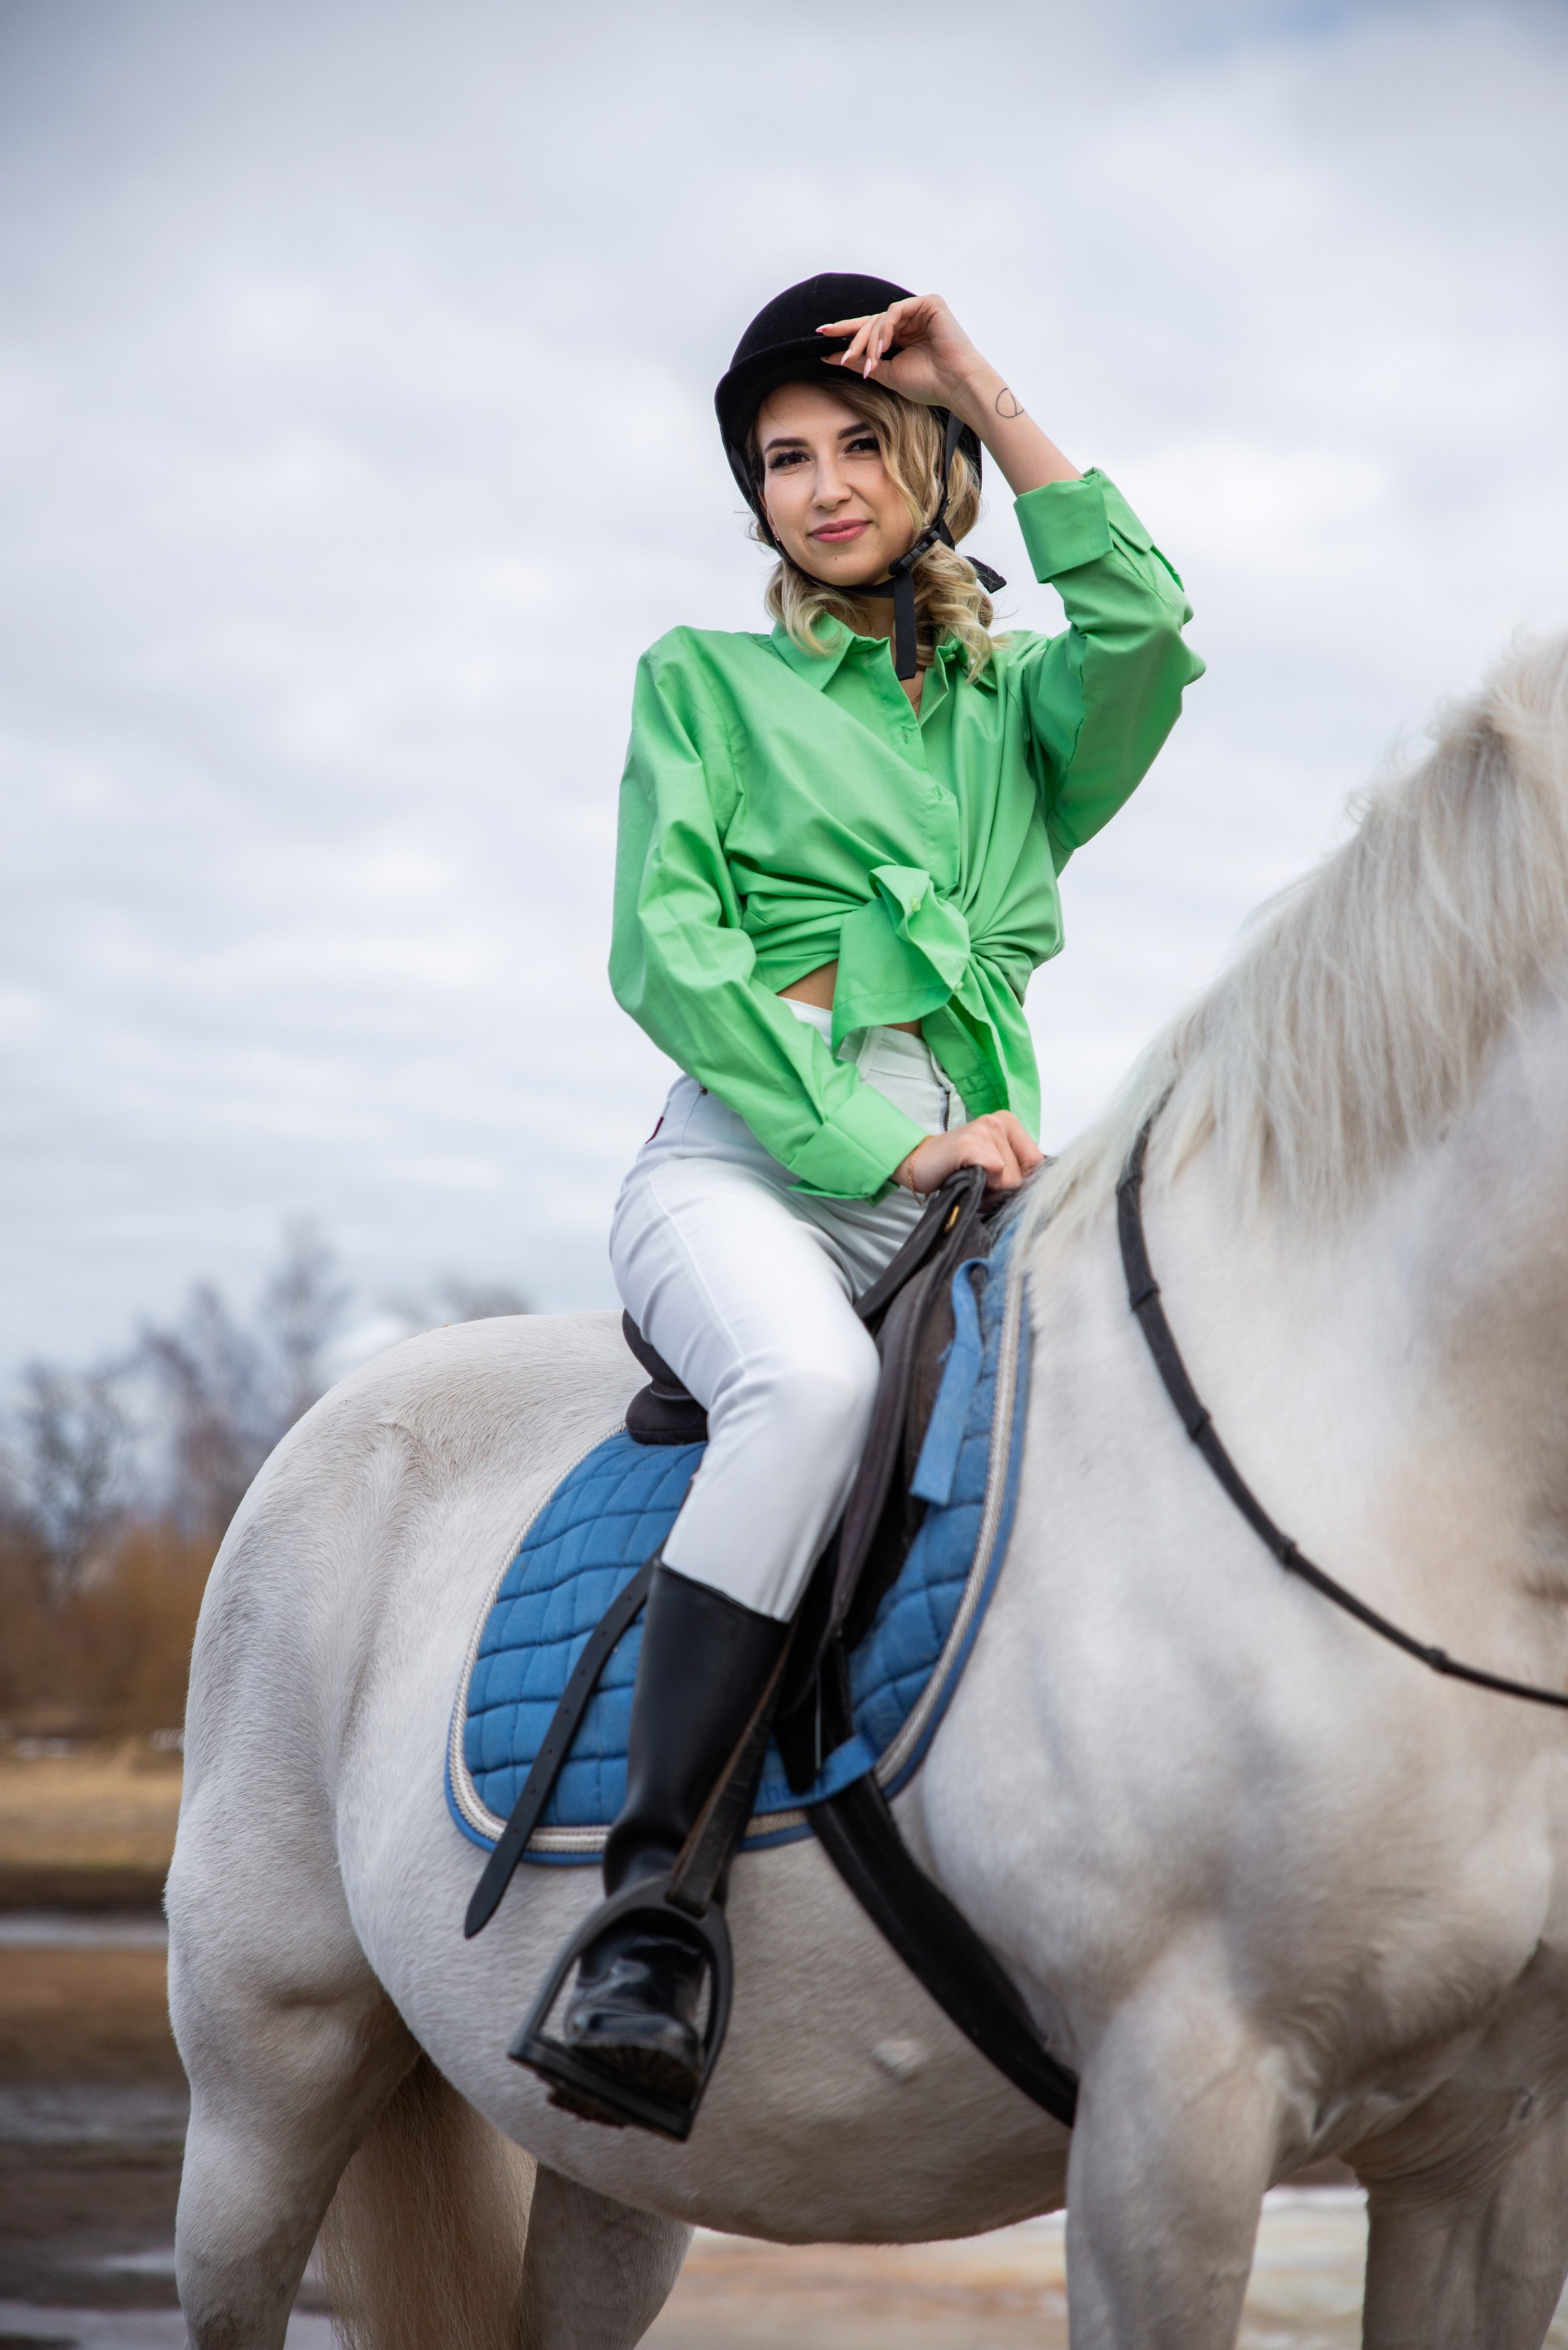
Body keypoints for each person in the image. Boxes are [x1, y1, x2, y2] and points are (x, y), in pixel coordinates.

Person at [547, 271, 1203, 2114]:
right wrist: (886, 1139)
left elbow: (1148, 620)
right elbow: (667, 951)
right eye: (781, 460)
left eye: (855, 443)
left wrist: (983, 378)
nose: (822, 485)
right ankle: (648, 1917)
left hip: (974, 1182)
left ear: (926, 459)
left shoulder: (1017, 713)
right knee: (812, 1389)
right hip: (753, 1161)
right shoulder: (705, 679)